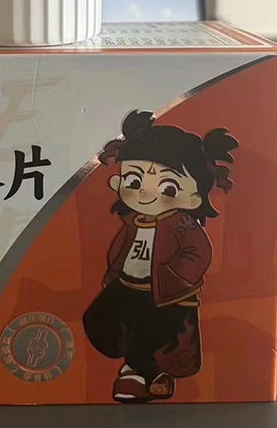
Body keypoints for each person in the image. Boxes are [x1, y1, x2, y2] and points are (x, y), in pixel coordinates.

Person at [83, 110, 238, 403]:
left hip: (166, 293)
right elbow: (121, 250)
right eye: (133, 181)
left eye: (167, 187)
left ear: (193, 198)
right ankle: (142, 366)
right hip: (129, 285)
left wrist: (170, 277)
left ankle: (136, 373)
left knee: (153, 335)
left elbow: (198, 253)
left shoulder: (182, 224)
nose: (145, 194)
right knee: (99, 318)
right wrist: (114, 274)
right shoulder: (134, 221)